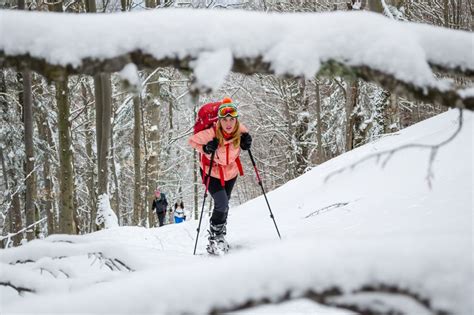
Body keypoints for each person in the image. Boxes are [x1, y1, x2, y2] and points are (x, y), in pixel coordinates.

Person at [189, 100, 252, 254]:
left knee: (225, 204)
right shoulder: (211, 133)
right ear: (219, 120)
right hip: (211, 172)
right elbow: (192, 142)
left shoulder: (241, 131)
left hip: (231, 172)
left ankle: (219, 236)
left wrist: (247, 142)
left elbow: (246, 141)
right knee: (222, 203)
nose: (228, 123)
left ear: (236, 120)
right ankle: (215, 237)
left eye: (232, 119)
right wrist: (205, 148)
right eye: (224, 120)